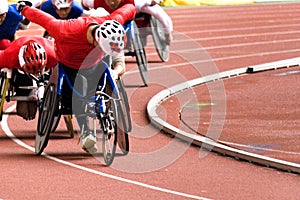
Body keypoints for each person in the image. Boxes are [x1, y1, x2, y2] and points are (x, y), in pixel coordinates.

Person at [17, 2, 135, 153]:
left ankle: (108, 109)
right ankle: (86, 131)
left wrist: (132, 15)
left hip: (96, 64)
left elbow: (128, 9)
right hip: (69, 66)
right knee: (80, 89)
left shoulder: (111, 21)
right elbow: (41, 18)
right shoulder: (65, 29)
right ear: (96, 40)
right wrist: (23, 8)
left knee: (108, 72)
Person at [0, 36, 57, 120]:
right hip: (17, 55)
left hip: (47, 50)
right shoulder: (9, 56)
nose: (35, 74)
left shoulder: (53, 54)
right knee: (25, 112)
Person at [82, 0, 173, 45]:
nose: (112, 3)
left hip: (137, 8)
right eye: (109, 0)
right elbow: (83, 4)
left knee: (158, 12)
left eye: (115, 0)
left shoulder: (136, 1)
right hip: (114, 15)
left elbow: (154, 5)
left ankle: (168, 33)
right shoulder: (93, 1)